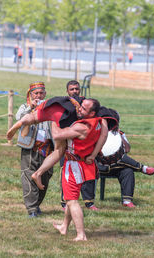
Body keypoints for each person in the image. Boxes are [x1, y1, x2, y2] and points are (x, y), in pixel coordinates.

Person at [52, 98, 104, 241]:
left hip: (74, 165)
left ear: (92, 112)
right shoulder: (101, 122)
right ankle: (64, 226)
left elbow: (56, 135)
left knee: (71, 201)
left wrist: (53, 118)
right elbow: (104, 135)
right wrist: (93, 155)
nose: (79, 109)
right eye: (80, 106)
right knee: (72, 198)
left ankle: (81, 235)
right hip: (85, 164)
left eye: (83, 109)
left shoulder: (82, 127)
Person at [96, 113, 154, 208]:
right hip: (99, 167)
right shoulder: (95, 132)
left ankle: (127, 201)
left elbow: (127, 149)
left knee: (128, 170)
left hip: (117, 166)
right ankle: (142, 168)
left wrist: (119, 137)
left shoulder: (119, 134)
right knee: (123, 160)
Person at [15, 82, 54, 218]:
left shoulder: (50, 108)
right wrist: (31, 108)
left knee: (45, 176)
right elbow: (19, 119)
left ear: (45, 94)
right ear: (31, 95)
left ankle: (36, 204)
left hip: (48, 148)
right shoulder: (24, 107)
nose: (38, 96)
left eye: (41, 93)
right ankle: (31, 208)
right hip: (30, 147)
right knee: (28, 176)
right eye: (35, 93)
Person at [60, 80, 99, 210]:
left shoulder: (86, 104)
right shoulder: (64, 104)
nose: (75, 91)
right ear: (67, 91)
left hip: (85, 145)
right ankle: (66, 202)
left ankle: (89, 202)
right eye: (72, 89)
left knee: (88, 175)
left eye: (77, 89)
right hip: (68, 144)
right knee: (66, 175)